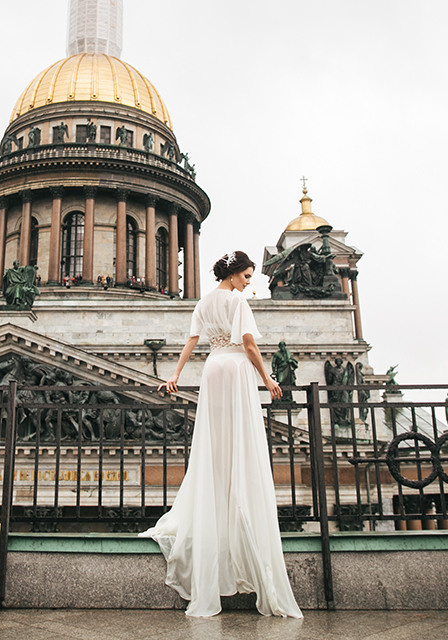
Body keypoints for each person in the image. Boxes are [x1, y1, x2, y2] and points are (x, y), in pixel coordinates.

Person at [140, 250, 303, 619]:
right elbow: (248, 345)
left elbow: (191, 343)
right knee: (241, 445)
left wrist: (175, 375)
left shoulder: (203, 302)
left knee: (214, 447)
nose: (249, 282)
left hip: (212, 369)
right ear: (233, 276)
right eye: (247, 276)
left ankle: (217, 515)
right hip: (236, 370)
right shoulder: (236, 302)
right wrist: (268, 379)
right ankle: (241, 514)